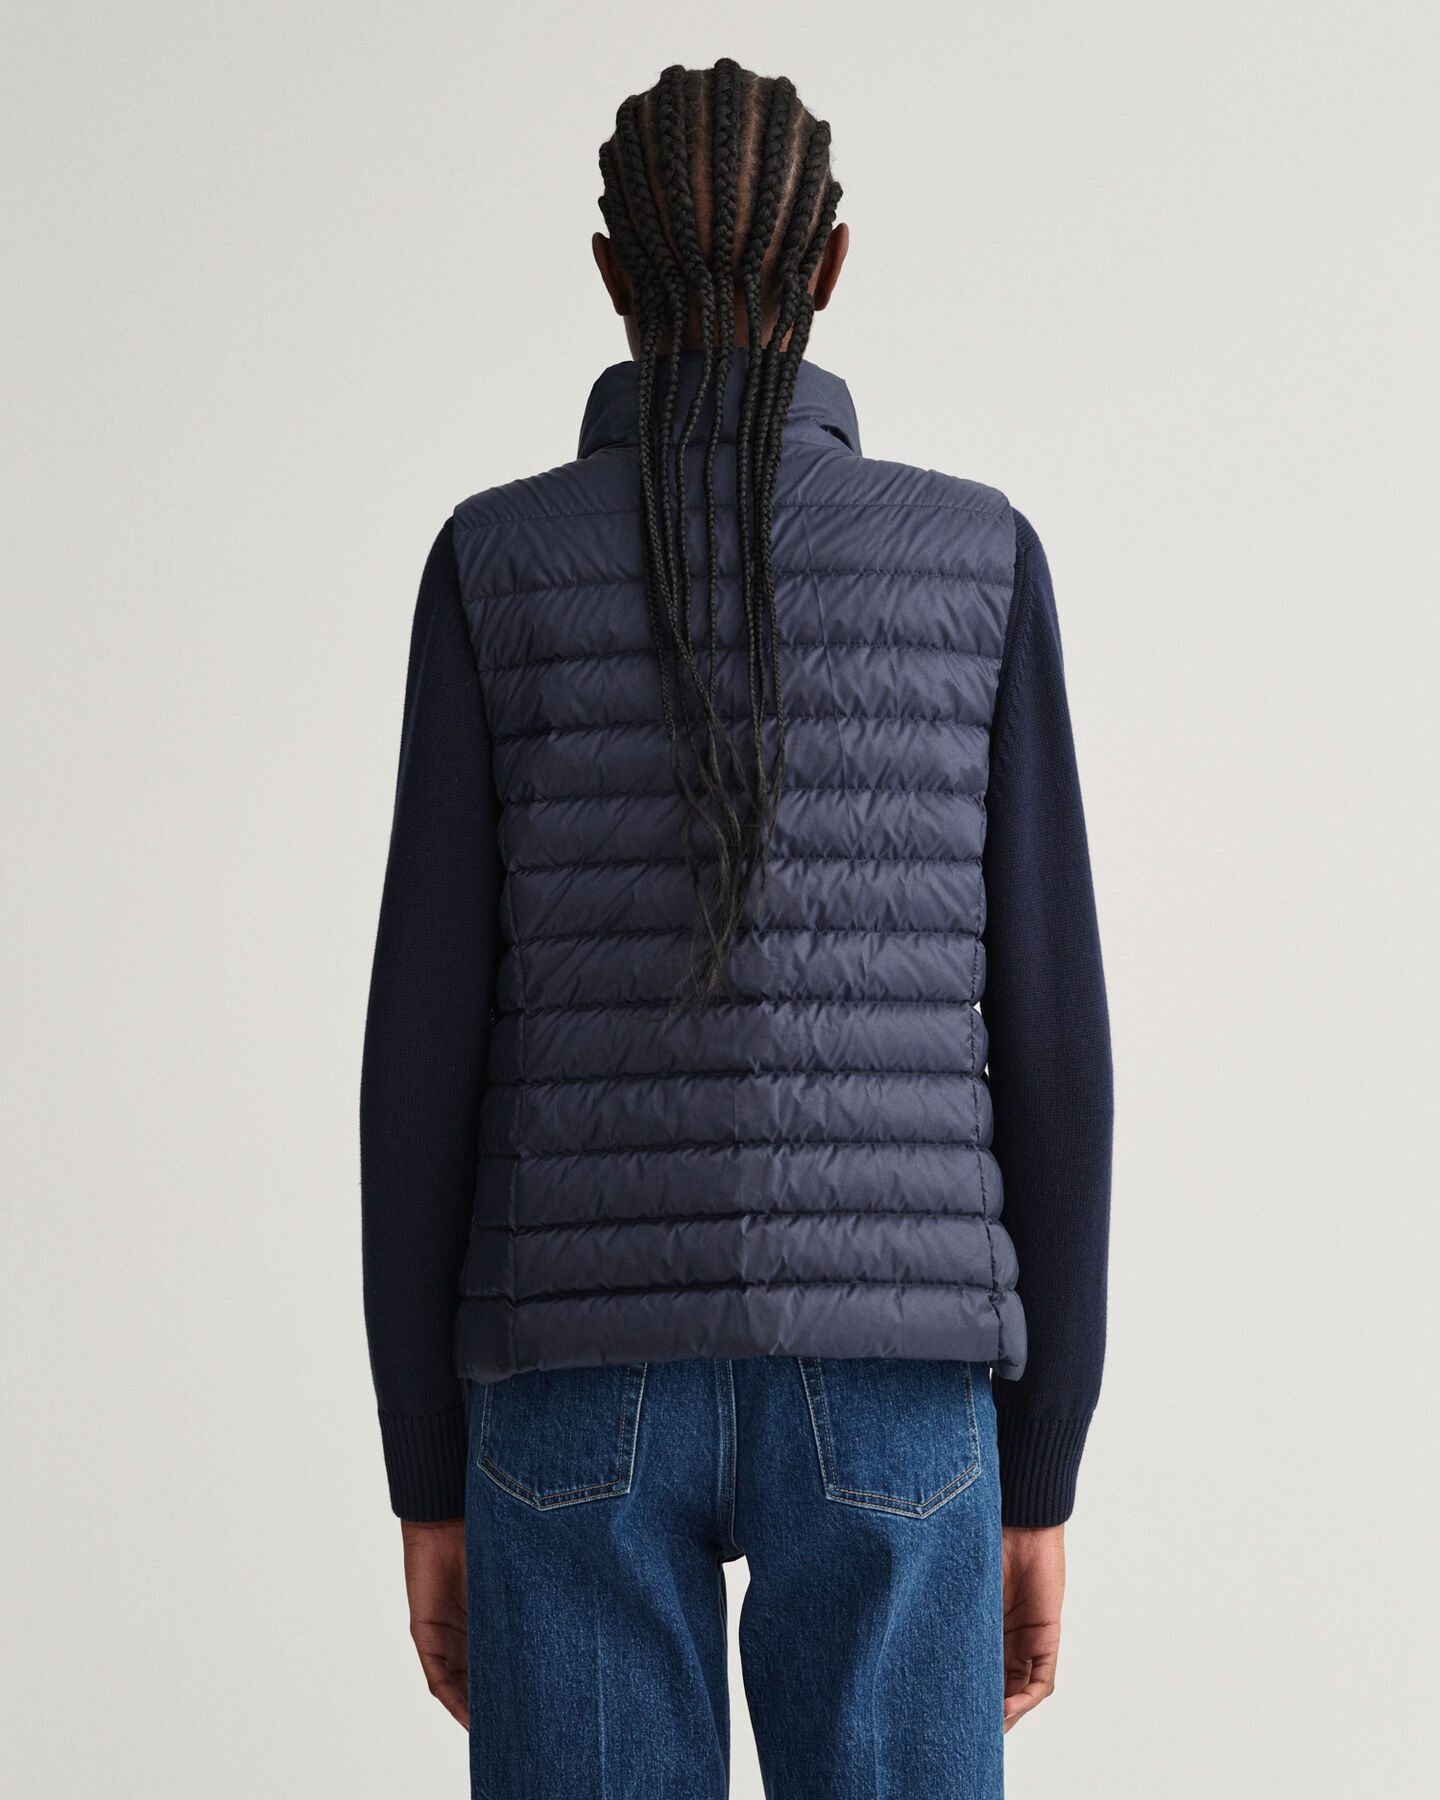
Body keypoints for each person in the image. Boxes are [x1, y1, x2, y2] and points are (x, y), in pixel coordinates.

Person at [360, 57, 1112, 1800]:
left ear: (609, 278)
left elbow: (420, 1055)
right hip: (899, 1382)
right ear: (831, 265)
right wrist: (1043, 1468)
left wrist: (423, 1471)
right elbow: (1058, 1046)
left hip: (569, 1378)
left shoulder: (493, 565)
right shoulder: (978, 560)